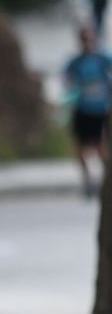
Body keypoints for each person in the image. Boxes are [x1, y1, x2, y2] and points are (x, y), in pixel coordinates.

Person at [63, 23, 111, 198]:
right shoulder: (75, 63)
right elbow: (66, 82)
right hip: (83, 110)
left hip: (100, 109)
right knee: (80, 148)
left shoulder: (103, 59)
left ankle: (106, 180)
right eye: (84, 39)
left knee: (101, 147)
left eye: (89, 38)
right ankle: (87, 181)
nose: (87, 42)